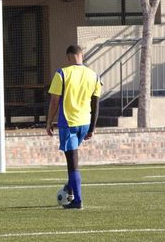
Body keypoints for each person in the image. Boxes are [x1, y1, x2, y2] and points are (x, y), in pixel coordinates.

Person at [46, 45, 101, 209]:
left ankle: (77, 201)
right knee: (73, 161)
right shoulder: (94, 75)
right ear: (82, 55)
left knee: (72, 163)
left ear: (69, 57)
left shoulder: (62, 73)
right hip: (85, 123)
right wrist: (92, 127)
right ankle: (70, 188)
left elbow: (55, 100)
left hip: (69, 123)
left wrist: (49, 121)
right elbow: (96, 103)